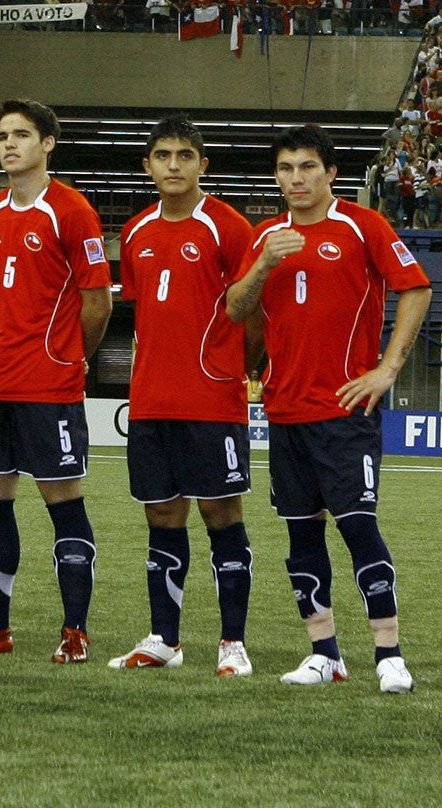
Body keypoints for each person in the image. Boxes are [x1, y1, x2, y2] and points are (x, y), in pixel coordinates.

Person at [227, 123, 432, 692]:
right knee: (301, 535)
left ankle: (388, 653)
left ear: (330, 173)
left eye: (307, 167)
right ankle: (325, 653)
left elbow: (417, 289)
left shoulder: (362, 225)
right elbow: (235, 308)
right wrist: (265, 263)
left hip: (345, 411)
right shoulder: (265, 236)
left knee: (359, 527)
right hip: (285, 412)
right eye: (286, 169)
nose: (297, 178)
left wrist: (388, 370)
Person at [0, 99, 112, 661]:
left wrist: (68, 356)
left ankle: (75, 632)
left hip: (48, 387)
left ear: (48, 144)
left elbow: (98, 302)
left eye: (22, 135)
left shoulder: (72, 210)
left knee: (62, 501)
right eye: (3, 135)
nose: (9, 144)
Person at [108, 118, 259, 676]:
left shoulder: (230, 228)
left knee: (222, 516)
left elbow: (254, 314)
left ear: (203, 165)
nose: (173, 165)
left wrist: (233, 372)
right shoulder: (136, 232)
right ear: (148, 165)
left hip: (211, 401)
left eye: (184, 155)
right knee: (163, 518)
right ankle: (164, 639)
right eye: (163, 155)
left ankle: (232, 643)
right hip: (150, 402)